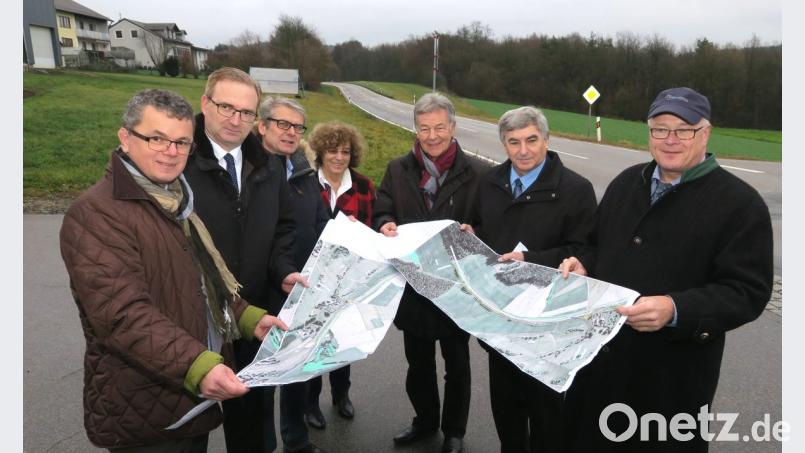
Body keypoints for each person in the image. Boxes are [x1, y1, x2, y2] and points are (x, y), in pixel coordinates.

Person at [59, 88, 288, 452]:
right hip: (145, 404)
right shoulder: (96, 214)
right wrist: (197, 365)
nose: (171, 152)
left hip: (184, 396)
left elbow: (197, 282)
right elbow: (122, 315)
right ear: (125, 138)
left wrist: (248, 318)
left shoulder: (175, 201)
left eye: (182, 142)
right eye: (156, 138)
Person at [559, 87, 774, 452]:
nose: (670, 139)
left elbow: (747, 292)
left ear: (705, 133)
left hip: (670, 386)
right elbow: (595, 245)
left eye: (684, 129)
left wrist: (675, 309)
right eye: (660, 128)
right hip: (597, 370)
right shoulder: (627, 182)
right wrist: (584, 264)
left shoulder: (740, 204)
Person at [183, 67, 311, 453]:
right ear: (205, 104)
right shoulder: (178, 161)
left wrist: (283, 269)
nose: (235, 119)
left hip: (253, 314)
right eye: (226, 107)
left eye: (246, 112)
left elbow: (283, 229)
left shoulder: (269, 167)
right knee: (190, 427)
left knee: (252, 424)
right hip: (192, 319)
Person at [469, 106, 597, 453]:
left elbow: (586, 251)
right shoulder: (489, 183)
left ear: (546, 140)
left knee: (547, 415)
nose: (523, 150)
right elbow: (478, 226)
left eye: (531, 140)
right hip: (502, 316)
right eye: (513, 142)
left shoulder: (576, 189)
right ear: (503, 144)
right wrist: (469, 235)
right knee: (506, 410)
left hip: (548, 322)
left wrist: (532, 260)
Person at [374, 93, 482, 453]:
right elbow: (382, 208)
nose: (432, 135)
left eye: (439, 127)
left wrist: (475, 231)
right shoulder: (397, 169)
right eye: (424, 128)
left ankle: (454, 431)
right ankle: (424, 421)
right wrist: (386, 223)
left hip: (456, 287)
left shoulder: (476, 173)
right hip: (413, 288)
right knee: (417, 365)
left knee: (457, 365)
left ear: (453, 127)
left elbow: (487, 222)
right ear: (415, 130)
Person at [256, 96, 329, 453]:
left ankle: (296, 440)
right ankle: (264, 443)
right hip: (259, 288)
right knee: (263, 375)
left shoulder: (303, 172)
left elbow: (322, 222)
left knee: (296, 370)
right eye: (282, 124)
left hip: (301, 286)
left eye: (297, 127)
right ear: (263, 126)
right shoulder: (251, 171)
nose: (290, 132)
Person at [303, 121, 377, 427]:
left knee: (342, 341)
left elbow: (370, 232)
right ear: (320, 151)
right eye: (332, 150)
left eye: (345, 152)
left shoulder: (364, 186)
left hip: (349, 279)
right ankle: (310, 403)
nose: (338, 157)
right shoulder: (305, 183)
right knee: (311, 343)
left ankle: (341, 395)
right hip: (311, 278)